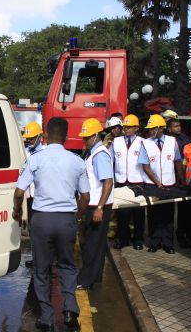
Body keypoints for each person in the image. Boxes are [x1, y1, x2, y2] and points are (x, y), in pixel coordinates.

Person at [13, 117, 90, 332]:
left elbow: (19, 192)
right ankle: (69, 311)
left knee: (41, 268)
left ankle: (46, 318)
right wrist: (76, 217)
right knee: (67, 266)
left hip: (42, 219)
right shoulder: (77, 161)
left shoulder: (36, 159)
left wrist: (18, 210)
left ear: (45, 135)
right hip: (66, 219)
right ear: (66, 136)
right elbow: (85, 197)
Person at [76, 118, 114, 290]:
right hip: (94, 204)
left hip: (97, 206)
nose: (84, 140)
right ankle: (95, 276)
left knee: (91, 244)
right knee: (96, 243)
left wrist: (99, 207)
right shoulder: (93, 153)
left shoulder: (100, 155)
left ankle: (85, 279)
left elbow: (108, 182)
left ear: (96, 135)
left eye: (87, 137)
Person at [138, 114, 183, 254]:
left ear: (160, 128)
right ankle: (154, 242)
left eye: (153, 128)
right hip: (152, 185)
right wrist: (157, 182)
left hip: (169, 183)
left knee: (168, 215)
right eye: (150, 129)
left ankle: (168, 243)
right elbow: (145, 166)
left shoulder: (172, 141)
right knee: (153, 214)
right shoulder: (145, 143)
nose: (151, 131)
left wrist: (181, 178)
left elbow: (177, 161)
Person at [112, 114, 146, 250]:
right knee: (122, 213)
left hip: (137, 182)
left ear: (136, 128)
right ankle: (123, 239)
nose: (126, 129)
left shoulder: (143, 142)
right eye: (125, 127)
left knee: (138, 213)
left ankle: (138, 240)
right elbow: (111, 161)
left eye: (129, 127)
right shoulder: (116, 142)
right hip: (121, 181)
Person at [21, 121, 45, 268]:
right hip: (30, 197)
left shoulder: (45, 153)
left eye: (32, 138)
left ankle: (45, 260)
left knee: (42, 230)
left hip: (41, 197)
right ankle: (36, 258)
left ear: (39, 137)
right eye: (28, 138)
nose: (29, 140)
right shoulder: (26, 152)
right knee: (32, 229)